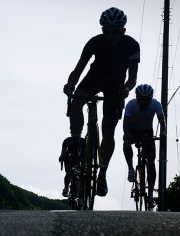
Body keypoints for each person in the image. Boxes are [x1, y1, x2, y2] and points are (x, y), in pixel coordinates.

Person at [63, 7, 140, 197]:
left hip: (116, 86)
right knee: (76, 103)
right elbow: (79, 68)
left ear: (123, 31)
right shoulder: (94, 42)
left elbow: (132, 79)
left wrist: (127, 90)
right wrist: (70, 84)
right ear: (102, 29)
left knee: (108, 130)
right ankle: (75, 140)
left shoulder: (132, 46)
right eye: (106, 31)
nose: (110, 36)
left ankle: (102, 173)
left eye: (115, 32)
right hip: (94, 78)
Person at [123, 84, 166, 208]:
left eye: (147, 99)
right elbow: (125, 125)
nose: (145, 102)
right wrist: (128, 135)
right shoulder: (131, 105)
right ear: (137, 97)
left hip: (147, 131)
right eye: (142, 99)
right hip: (133, 129)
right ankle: (131, 168)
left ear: (151, 98)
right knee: (126, 141)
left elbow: (162, 122)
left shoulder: (156, 104)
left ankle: (151, 195)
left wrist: (163, 133)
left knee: (151, 161)